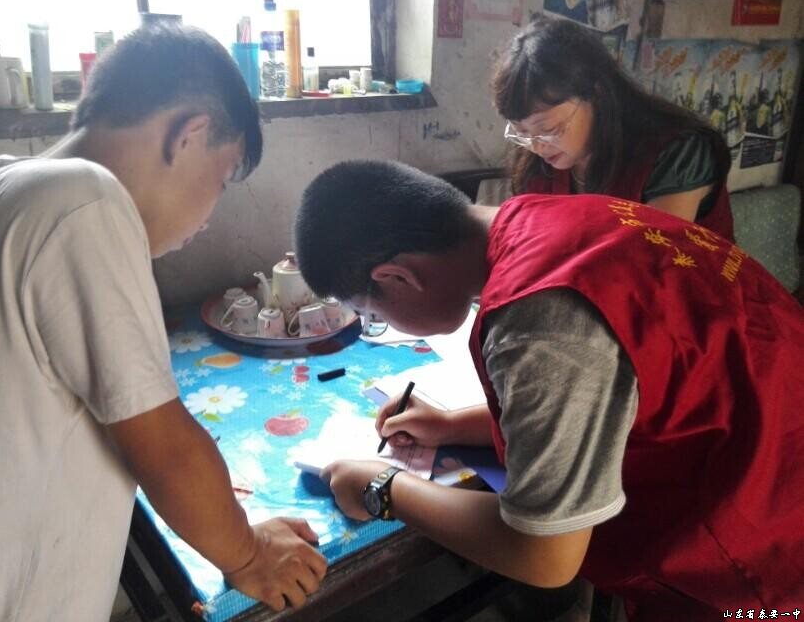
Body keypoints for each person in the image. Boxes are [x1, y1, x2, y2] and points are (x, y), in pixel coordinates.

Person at [293, 159, 804, 620]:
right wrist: (452, 425)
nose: (384, 324)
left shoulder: (538, 319)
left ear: (397, 276)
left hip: (764, 571)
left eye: (374, 313)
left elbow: (544, 553)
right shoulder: (550, 219)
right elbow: (614, 392)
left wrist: (383, 487)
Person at [0, 23, 326, 621]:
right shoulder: (84, 201)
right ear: (188, 136)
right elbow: (166, 450)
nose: (208, 216)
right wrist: (250, 553)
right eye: (222, 178)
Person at [494, 16, 735, 242]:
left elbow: (652, 259)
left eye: (550, 129)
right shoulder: (536, 163)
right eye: (521, 133)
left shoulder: (676, 153)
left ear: (597, 94)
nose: (536, 147)